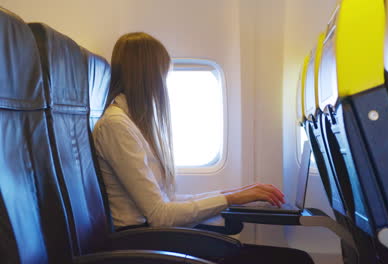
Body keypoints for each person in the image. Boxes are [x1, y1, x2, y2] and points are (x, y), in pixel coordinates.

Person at [93, 32, 313, 264]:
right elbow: (160, 215)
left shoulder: (131, 123)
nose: (163, 85)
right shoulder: (115, 126)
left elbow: (167, 200)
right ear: (147, 77)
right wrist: (233, 198)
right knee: (295, 260)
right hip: (143, 241)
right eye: (161, 75)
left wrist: (232, 195)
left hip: (155, 237)